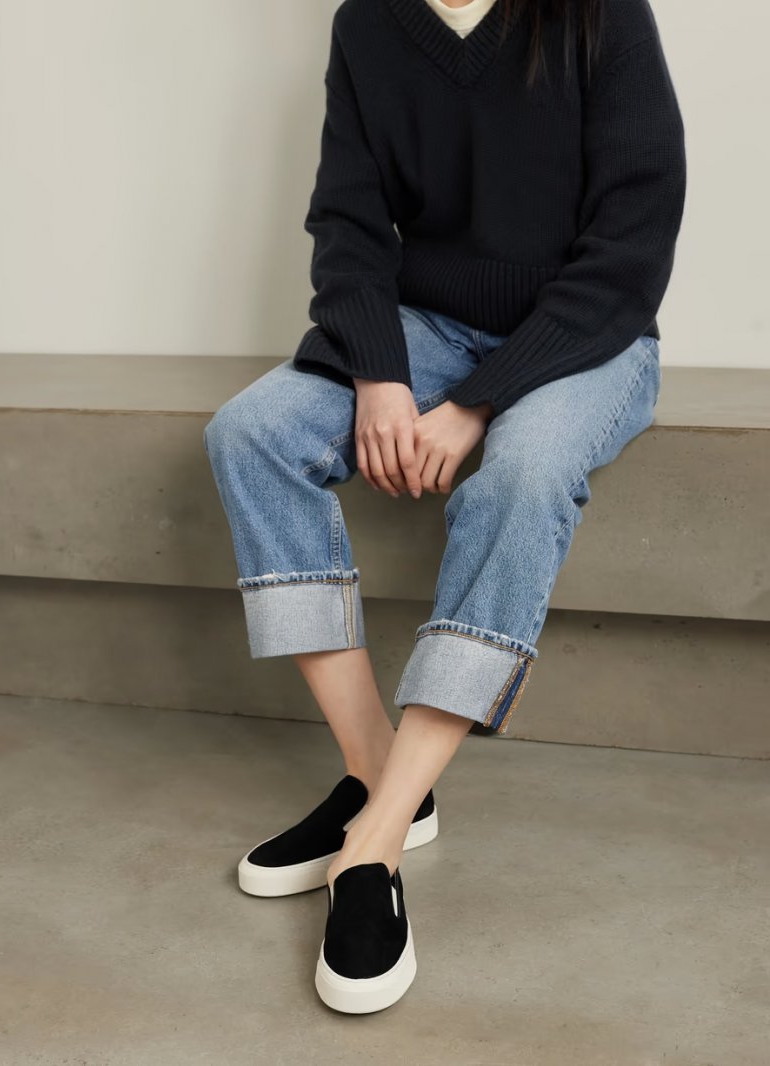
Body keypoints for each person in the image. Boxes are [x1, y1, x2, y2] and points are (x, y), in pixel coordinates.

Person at [203, 0, 686, 1015]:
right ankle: (383, 778)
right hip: (428, 328)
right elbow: (348, 223)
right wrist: (377, 371)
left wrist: (476, 403)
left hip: (590, 339)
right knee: (250, 434)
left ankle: (371, 845)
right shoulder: (369, 24)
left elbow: (632, 241)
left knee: (519, 473)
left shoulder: (597, 13)